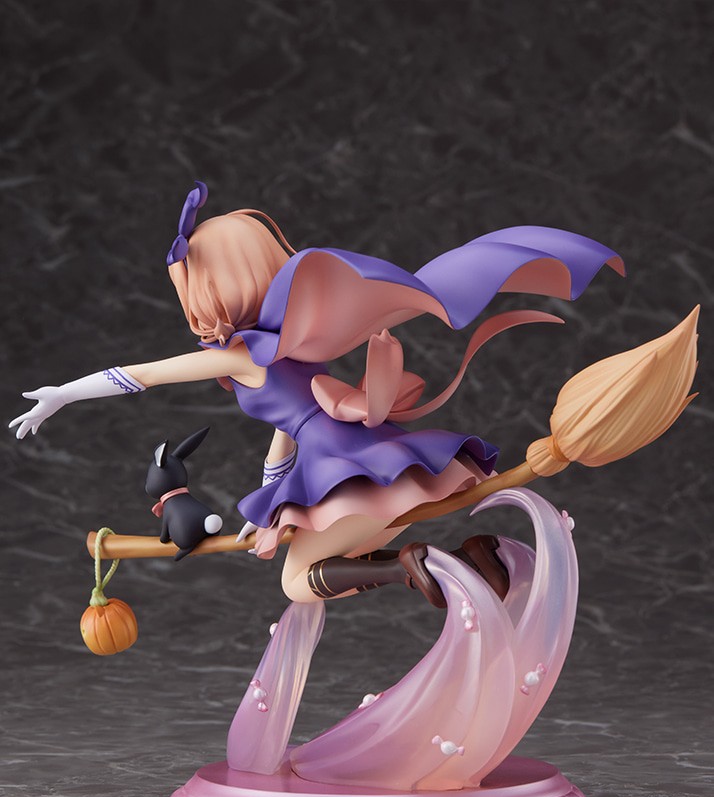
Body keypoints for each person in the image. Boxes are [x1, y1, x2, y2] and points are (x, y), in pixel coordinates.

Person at [10, 183, 623, 607]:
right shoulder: (293, 345)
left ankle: (408, 568)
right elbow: (287, 433)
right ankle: (466, 562)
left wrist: (64, 393)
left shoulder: (243, 354)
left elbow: (142, 374)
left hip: (341, 466)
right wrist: (271, 508)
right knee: (343, 553)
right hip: (360, 453)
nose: (193, 314)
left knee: (297, 583)